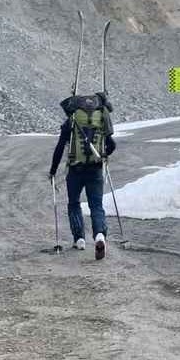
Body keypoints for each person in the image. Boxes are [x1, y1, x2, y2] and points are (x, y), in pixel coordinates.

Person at [49, 92, 116, 260]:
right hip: (95, 168)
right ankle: (100, 235)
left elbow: (59, 147)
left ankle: (79, 239)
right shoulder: (101, 116)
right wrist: (104, 155)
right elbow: (112, 144)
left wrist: (53, 170)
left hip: (75, 169)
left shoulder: (72, 119)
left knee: (74, 203)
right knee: (96, 205)